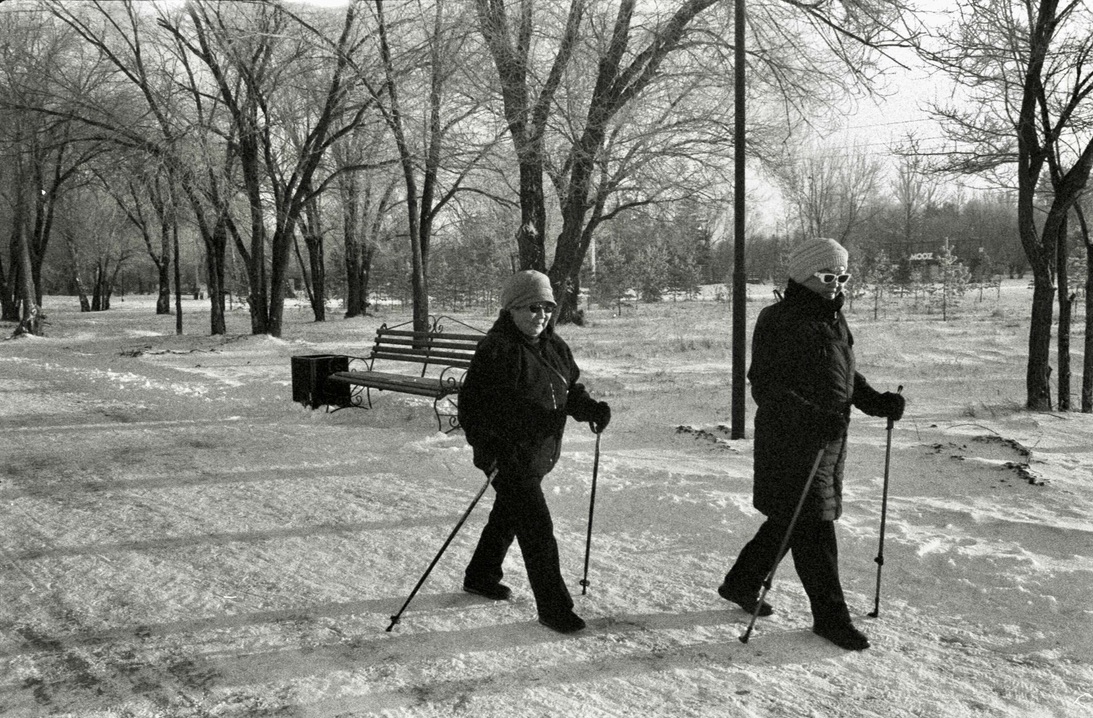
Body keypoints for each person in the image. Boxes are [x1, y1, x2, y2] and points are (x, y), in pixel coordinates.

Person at [718, 237, 905, 651]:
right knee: (815, 529)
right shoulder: (779, 319)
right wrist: (811, 417)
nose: (836, 284)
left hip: (826, 440)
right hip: (790, 442)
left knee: (788, 520)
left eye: (842, 276)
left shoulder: (834, 319)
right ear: (803, 277)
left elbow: (845, 376)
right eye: (827, 276)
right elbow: (765, 386)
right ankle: (830, 618)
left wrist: (876, 402)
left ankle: (740, 582)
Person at [458, 270, 611, 634]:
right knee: (537, 529)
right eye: (531, 308)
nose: (540, 315)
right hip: (508, 458)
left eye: (546, 308)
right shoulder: (497, 351)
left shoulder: (555, 347)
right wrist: (492, 452)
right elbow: (472, 410)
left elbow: (570, 390)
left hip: (539, 454)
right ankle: (554, 608)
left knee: (508, 514)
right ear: (511, 310)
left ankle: (481, 575)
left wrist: (589, 409)